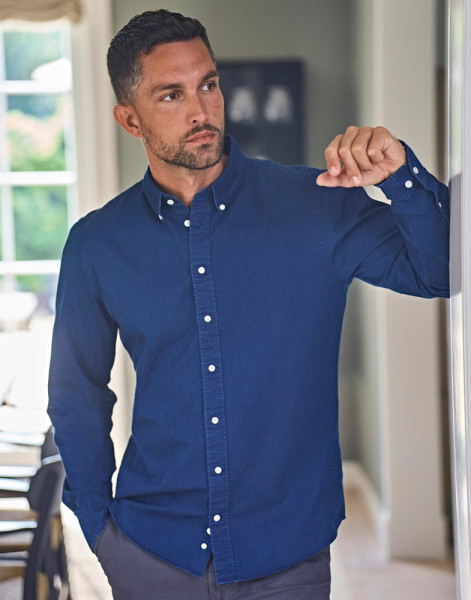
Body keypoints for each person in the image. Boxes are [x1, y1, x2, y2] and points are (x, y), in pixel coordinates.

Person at [47, 9, 450, 600]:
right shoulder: (96, 244)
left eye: (208, 84)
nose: (201, 110)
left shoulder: (318, 205)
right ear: (129, 119)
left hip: (287, 555)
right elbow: (75, 391)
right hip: (153, 551)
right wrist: (101, 530)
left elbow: (442, 271)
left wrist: (401, 177)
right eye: (171, 95)